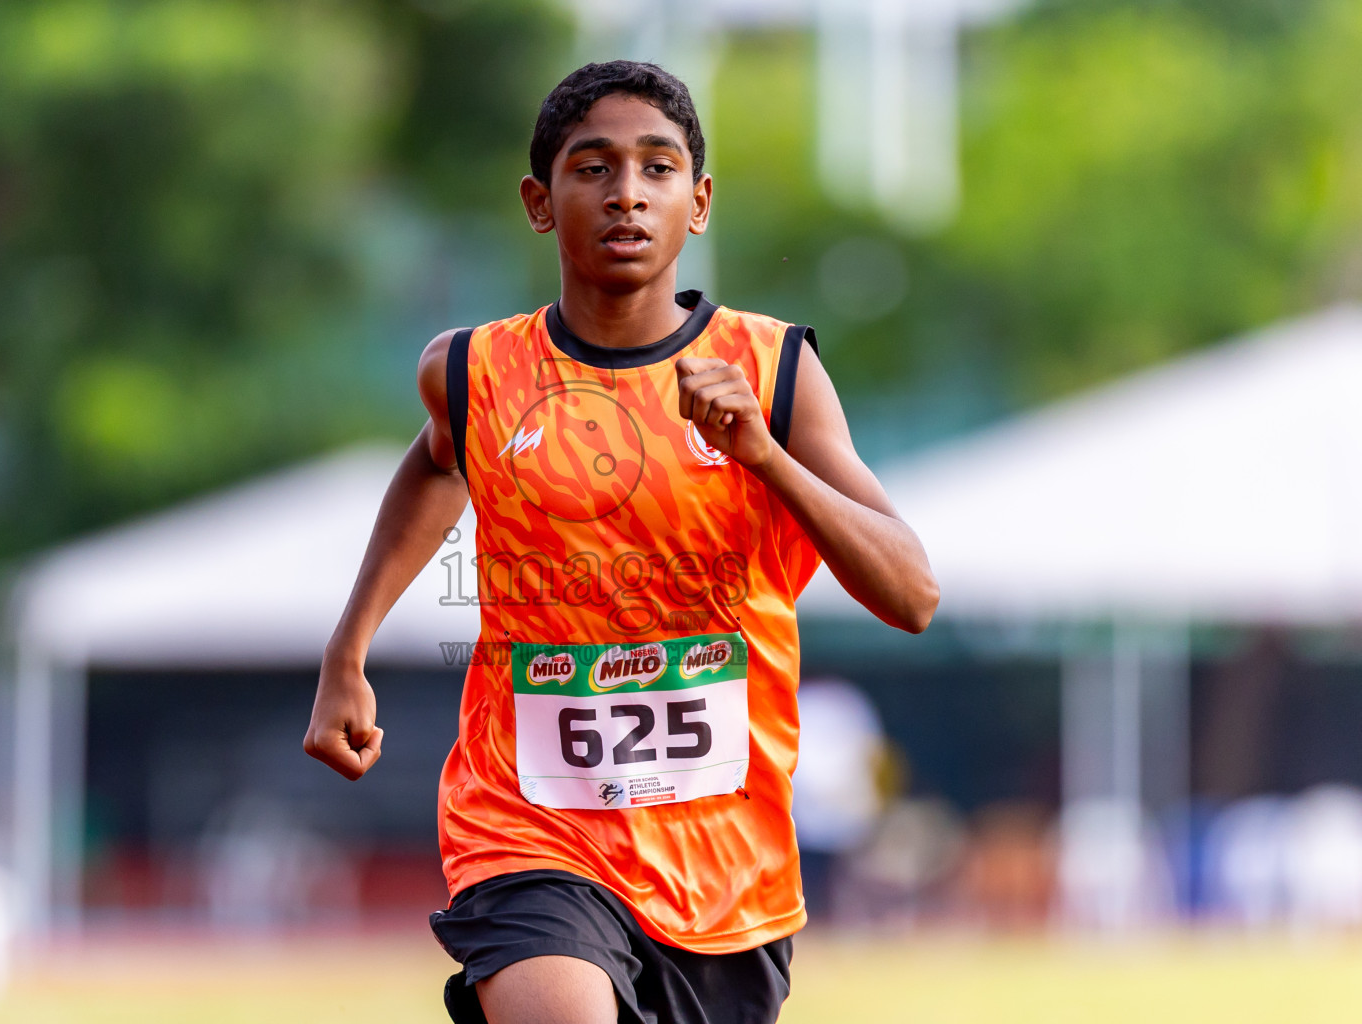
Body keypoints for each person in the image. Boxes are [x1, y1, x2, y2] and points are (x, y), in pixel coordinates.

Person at [304, 60, 939, 1024]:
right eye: (592, 168)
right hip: (527, 827)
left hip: (722, 866)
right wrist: (347, 650)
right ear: (539, 202)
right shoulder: (472, 372)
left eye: (658, 167)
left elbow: (913, 595)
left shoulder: (774, 374)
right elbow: (439, 465)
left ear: (700, 202)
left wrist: (763, 457)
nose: (627, 193)